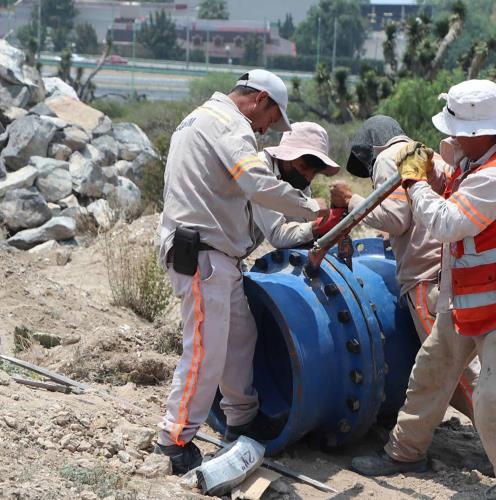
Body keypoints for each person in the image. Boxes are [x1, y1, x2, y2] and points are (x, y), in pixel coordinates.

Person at [351, 80, 496, 500]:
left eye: (458, 131)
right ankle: (405, 452)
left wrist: (415, 183)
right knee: (432, 371)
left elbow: (446, 222)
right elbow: (458, 188)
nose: (452, 137)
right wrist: (441, 169)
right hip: (474, 295)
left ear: (479, 132)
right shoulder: (488, 153)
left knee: (492, 397)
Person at [155, 70, 328, 475]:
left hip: (216, 256)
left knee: (239, 335)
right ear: (259, 99)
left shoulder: (201, 118)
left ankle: (241, 417)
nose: (267, 129)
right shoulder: (229, 124)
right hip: (202, 253)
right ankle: (175, 437)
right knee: (205, 348)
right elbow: (255, 182)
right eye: (270, 119)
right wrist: (312, 207)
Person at [330, 115, 479, 420]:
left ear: (371, 149)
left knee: (451, 368)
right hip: (454, 266)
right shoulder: (428, 153)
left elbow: (396, 218)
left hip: (425, 276)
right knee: (461, 361)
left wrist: (351, 200)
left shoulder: (388, 156)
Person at [249, 121, 344, 252]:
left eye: (314, 172)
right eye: (303, 167)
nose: (308, 177)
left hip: (235, 253)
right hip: (215, 251)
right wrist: (317, 227)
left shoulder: (298, 181)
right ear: (286, 156)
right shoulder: (259, 170)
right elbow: (278, 235)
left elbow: (300, 228)